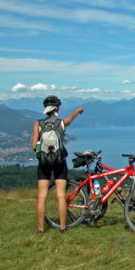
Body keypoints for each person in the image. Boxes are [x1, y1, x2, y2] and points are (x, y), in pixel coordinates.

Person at [31, 96, 84, 234]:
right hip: (59, 162)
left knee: (42, 196)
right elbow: (70, 118)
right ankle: (62, 227)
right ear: (57, 108)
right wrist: (78, 110)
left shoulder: (38, 124)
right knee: (61, 195)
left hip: (43, 164)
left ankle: (41, 229)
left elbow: (33, 146)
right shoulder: (61, 123)